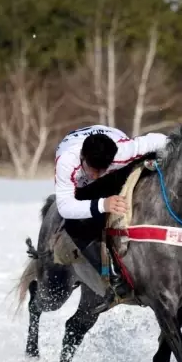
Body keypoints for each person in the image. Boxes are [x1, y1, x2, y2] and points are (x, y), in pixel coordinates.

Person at [53, 125, 168, 309]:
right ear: (82, 157)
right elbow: (65, 207)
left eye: (102, 169)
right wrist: (102, 204)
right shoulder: (67, 161)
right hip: (82, 179)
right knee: (75, 226)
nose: (96, 175)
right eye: (93, 169)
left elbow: (161, 140)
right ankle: (111, 280)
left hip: (115, 152)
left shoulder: (123, 152)